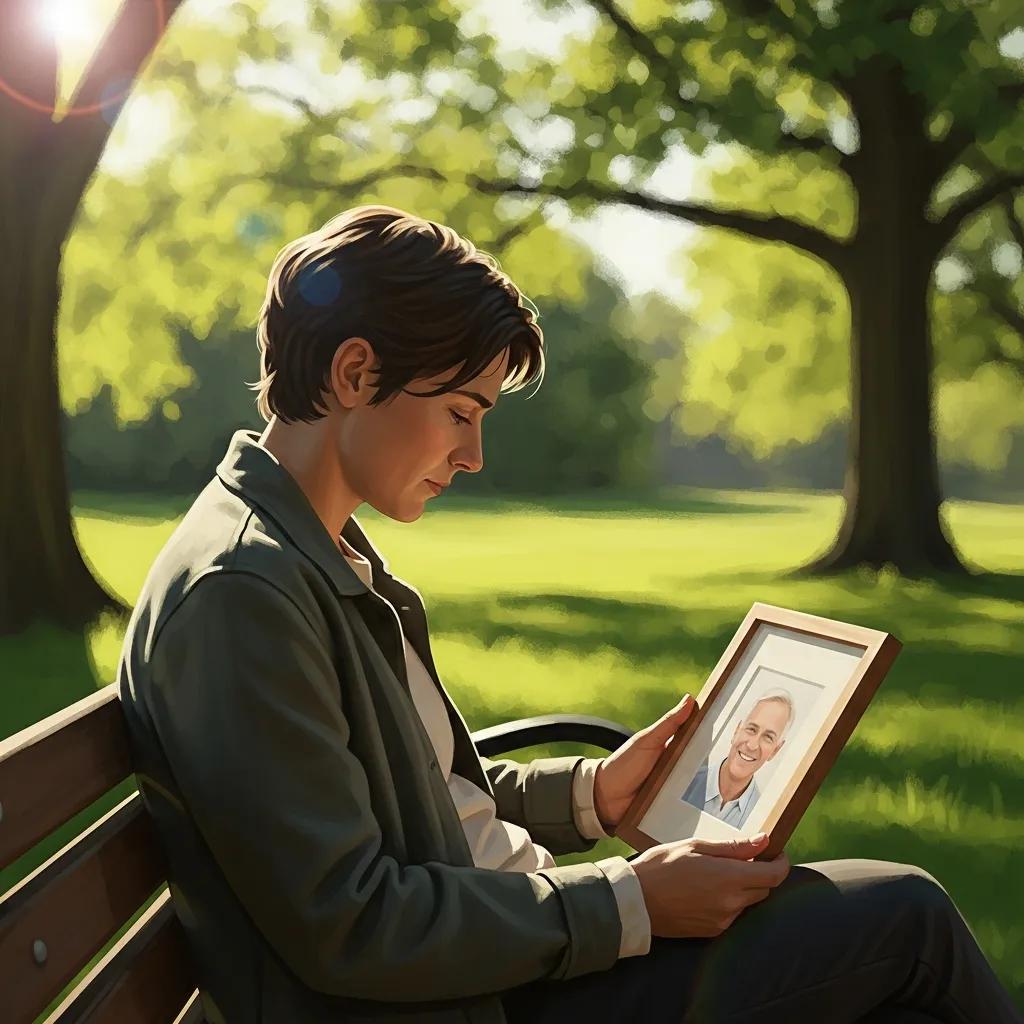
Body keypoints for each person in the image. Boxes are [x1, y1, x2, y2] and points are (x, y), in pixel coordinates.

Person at [117, 204, 1022, 1024]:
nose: (473, 454)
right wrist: (631, 902)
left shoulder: (313, 553)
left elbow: (411, 801)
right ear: (357, 372)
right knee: (907, 917)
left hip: (505, 954)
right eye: (463, 411)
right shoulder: (242, 593)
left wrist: (590, 796)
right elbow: (350, 922)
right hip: (473, 998)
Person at [681, 688, 795, 829]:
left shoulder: (762, 821)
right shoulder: (682, 781)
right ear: (737, 731)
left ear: (775, 751)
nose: (752, 745)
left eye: (768, 737)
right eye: (751, 729)